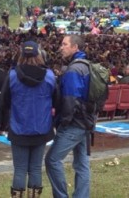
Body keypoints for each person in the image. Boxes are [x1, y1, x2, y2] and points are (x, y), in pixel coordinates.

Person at [0, 40, 59, 197]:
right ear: (38, 54)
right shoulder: (49, 76)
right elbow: (57, 100)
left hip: (18, 127)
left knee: (19, 168)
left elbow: (3, 100)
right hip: (41, 127)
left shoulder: (12, 75)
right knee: (35, 167)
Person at [45, 34, 93, 198]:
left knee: (52, 160)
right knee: (82, 163)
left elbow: (70, 100)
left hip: (74, 123)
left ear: (75, 47)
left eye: (65, 44)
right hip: (86, 121)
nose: (61, 47)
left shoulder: (73, 70)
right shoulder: (87, 65)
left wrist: (63, 123)